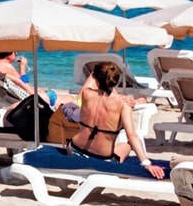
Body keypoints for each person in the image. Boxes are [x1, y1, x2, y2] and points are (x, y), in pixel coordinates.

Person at [22, 62, 170, 180]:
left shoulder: (86, 94)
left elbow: (93, 81)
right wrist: (146, 163)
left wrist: (97, 76)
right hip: (102, 158)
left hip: (75, 150)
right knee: (127, 144)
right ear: (116, 81)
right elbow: (132, 136)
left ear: (96, 78)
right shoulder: (123, 104)